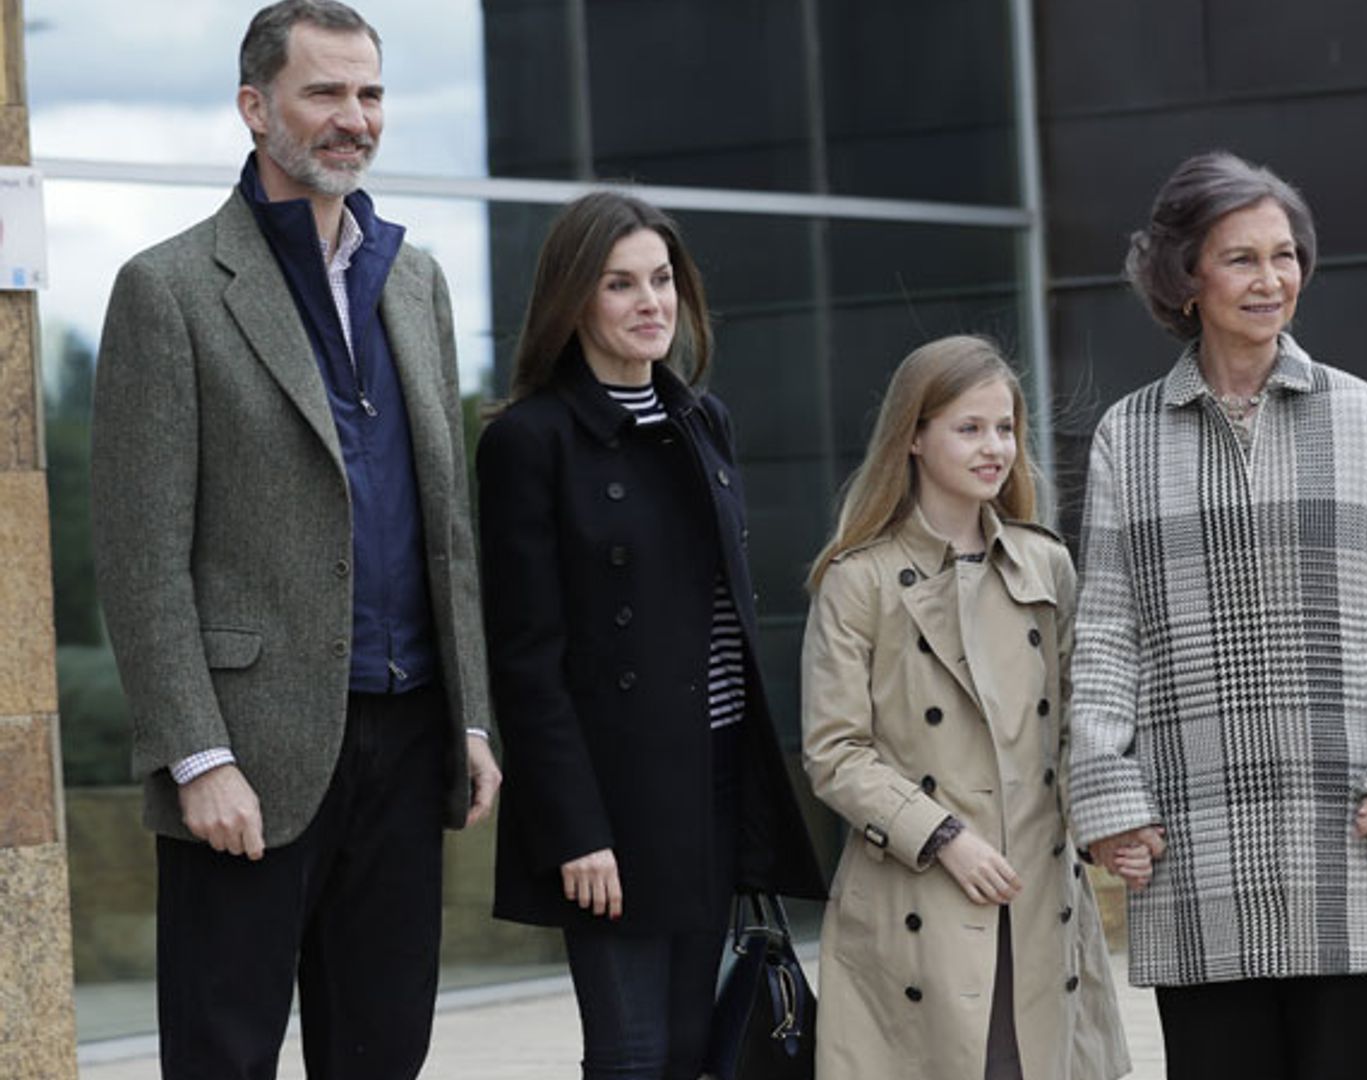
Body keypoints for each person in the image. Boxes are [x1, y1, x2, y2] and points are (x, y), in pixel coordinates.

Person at [88, 2, 501, 1076]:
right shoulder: (168, 291)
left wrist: (473, 717)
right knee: (223, 1057)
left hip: (410, 742)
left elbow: (443, 524)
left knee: (383, 1053)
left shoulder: (414, 279)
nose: (352, 119)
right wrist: (198, 755)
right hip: (249, 762)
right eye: (324, 92)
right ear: (255, 106)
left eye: (368, 93)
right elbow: (140, 559)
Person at [1066, 150, 1367, 1079]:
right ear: (1184, 278)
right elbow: (1107, 633)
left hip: (1346, 823)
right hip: (1191, 828)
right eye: (1241, 258)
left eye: (1284, 256)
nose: (1271, 279)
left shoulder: (1358, 415)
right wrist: (1108, 795)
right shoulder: (1129, 434)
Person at [478, 191, 826, 1080]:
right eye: (620, 284)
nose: (650, 303)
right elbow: (526, 660)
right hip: (611, 800)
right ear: (574, 302)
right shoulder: (530, 440)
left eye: (662, 280)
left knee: (692, 1051)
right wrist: (575, 830)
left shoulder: (702, 424)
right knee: (632, 1055)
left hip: (709, 782)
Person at [800, 335, 1131, 1080]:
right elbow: (834, 750)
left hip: (1039, 896)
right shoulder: (860, 581)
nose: (995, 448)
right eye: (969, 428)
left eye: (1006, 427)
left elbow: (1086, 724)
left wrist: (1110, 824)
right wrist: (945, 836)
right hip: (917, 896)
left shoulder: (1046, 564)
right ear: (913, 437)